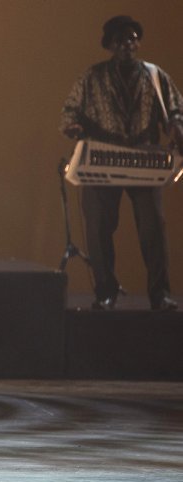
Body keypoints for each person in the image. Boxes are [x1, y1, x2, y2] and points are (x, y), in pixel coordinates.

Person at [60, 16, 183, 311]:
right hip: (103, 156)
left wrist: (177, 125)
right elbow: (69, 112)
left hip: (144, 158)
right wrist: (75, 127)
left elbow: (175, 109)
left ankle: (160, 294)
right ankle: (106, 291)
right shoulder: (92, 77)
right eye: (120, 39)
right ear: (110, 45)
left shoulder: (155, 76)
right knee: (98, 226)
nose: (127, 44)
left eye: (131, 38)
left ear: (137, 43)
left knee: (153, 228)